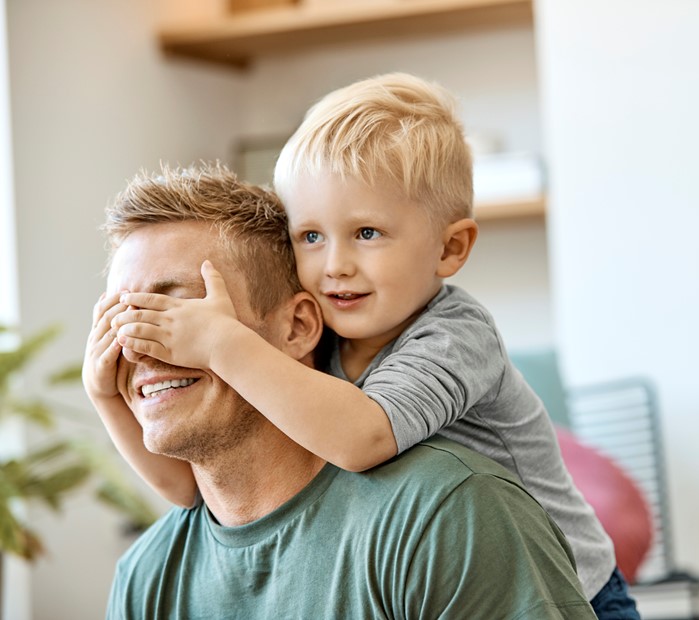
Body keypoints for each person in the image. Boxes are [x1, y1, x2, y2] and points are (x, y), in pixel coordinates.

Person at [102, 74, 639, 618]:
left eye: (366, 233)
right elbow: (187, 489)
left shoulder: (455, 336)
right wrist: (106, 395)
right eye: (311, 236)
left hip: (580, 588)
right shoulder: (335, 324)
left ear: (451, 248)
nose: (334, 264)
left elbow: (362, 438)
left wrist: (222, 341)